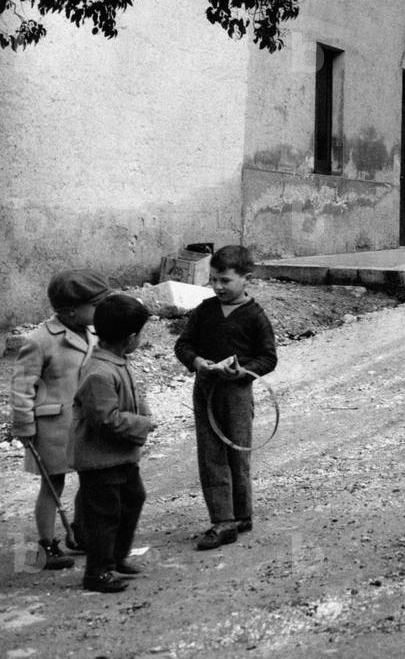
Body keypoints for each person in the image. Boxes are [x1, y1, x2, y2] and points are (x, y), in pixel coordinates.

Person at [173, 245, 277, 550]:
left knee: (238, 452)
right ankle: (223, 521)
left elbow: (268, 358)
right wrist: (197, 362)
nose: (218, 287)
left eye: (225, 281)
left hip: (237, 393)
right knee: (211, 454)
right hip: (206, 390)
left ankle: (242, 515)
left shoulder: (255, 316)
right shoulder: (204, 310)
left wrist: (243, 371)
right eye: (214, 280)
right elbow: (184, 344)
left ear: (246, 278)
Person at [10, 269, 109, 570]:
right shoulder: (40, 340)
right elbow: (22, 386)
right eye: (95, 305)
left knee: (90, 479)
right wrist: (24, 426)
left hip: (84, 424)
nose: (101, 311)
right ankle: (46, 544)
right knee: (53, 486)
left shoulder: (92, 333)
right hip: (53, 428)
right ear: (70, 310)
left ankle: (77, 533)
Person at [71, 293, 155, 593]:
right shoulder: (99, 371)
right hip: (100, 459)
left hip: (121, 456)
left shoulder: (116, 361)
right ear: (131, 338)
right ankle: (97, 571)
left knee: (133, 500)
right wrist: (143, 424)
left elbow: (131, 397)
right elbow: (105, 419)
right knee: (104, 515)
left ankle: (117, 557)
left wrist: (142, 412)